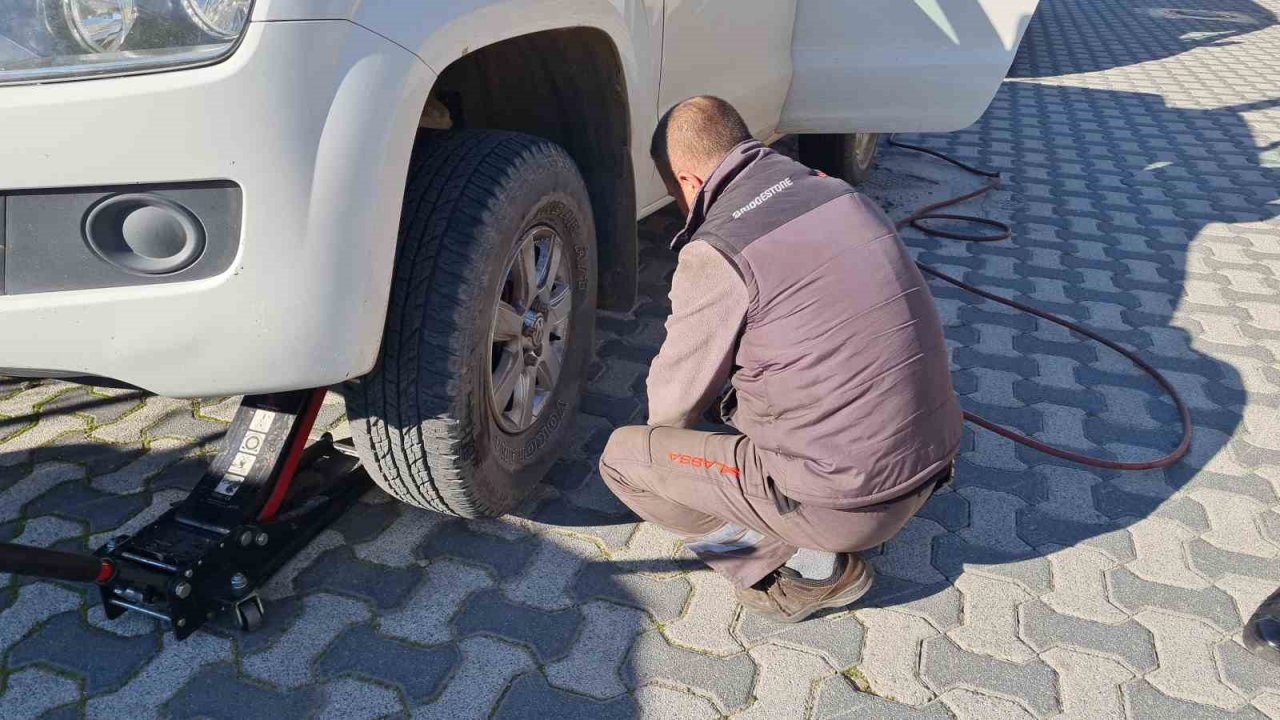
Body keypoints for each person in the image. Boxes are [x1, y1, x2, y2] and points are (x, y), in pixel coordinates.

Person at [598, 96, 963, 623]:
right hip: (931, 462)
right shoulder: (838, 194)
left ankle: (780, 570)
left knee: (625, 461)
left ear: (688, 181)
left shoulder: (717, 250)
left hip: (850, 506)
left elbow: (671, 410)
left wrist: (673, 466)